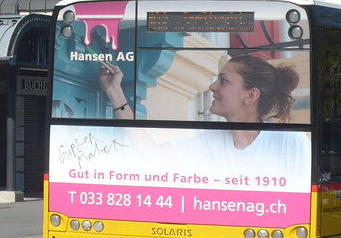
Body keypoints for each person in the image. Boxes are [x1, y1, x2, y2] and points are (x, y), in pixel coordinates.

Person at [98, 53, 309, 173]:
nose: (213, 87)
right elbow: (152, 154)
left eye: (224, 81)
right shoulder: (211, 140)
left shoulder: (289, 140)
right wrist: (115, 93)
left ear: (251, 96)